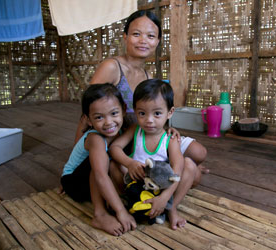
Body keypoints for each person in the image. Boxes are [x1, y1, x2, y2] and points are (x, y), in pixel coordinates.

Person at [75, 10, 208, 179]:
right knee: (192, 174)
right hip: (120, 140)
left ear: (157, 41)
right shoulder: (112, 67)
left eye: (150, 36)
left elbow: (154, 111)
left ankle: (175, 165)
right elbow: (87, 113)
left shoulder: (148, 77)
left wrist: (167, 128)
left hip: (146, 133)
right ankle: (174, 169)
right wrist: (73, 163)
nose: (143, 40)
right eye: (136, 34)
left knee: (199, 152)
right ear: (125, 37)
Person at [109, 79, 200, 230]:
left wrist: (164, 198)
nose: (149, 120)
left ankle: (170, 208)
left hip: (160, 188)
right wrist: (129, 163)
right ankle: (126, 201)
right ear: (135, 110)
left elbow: (177, 168)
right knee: (113, 164)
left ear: (170, 112)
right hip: (135, 184)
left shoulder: (170, 139)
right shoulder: (135, 129)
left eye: (157, 113)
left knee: (189, 164)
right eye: (142, 113)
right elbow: (114, 147)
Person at [61, 84, 136, 236]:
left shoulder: (123, 130)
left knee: (117, 155)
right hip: (74, 182)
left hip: (94, 179)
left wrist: (170, 130)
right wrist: (121, 212)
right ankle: (99, 214)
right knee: (100, 162)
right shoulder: (95, 138)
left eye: (114, 113)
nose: (108, 122)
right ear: (89, 120)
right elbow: (100, 175)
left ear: (123, 109)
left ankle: (113, 199)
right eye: (99, 117)